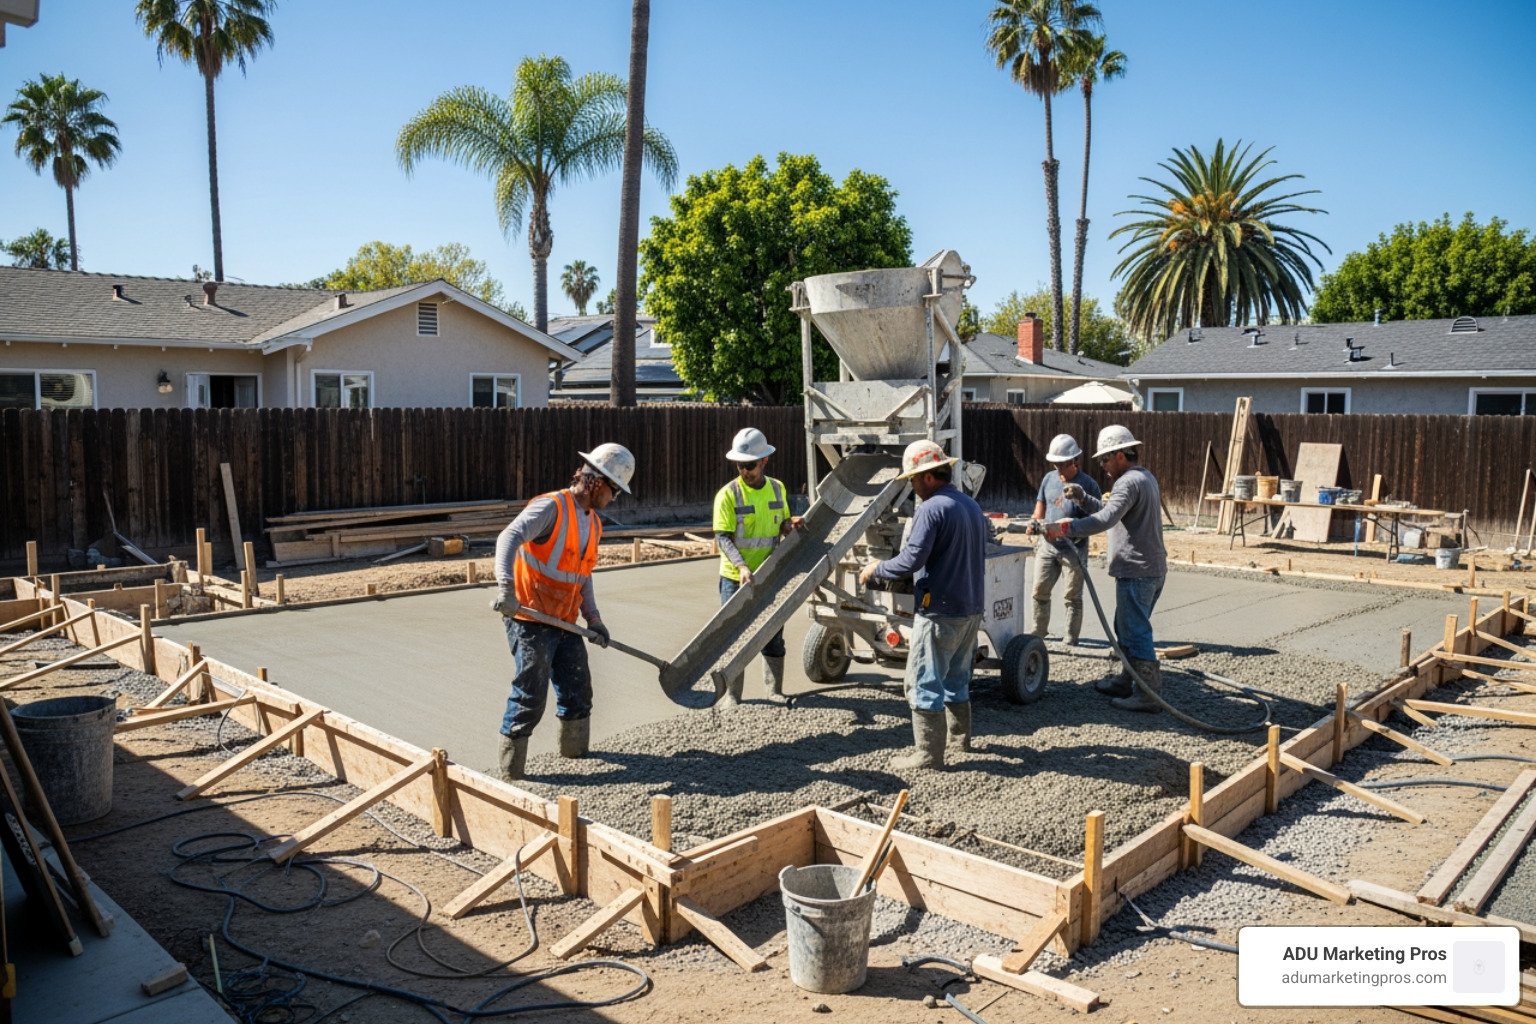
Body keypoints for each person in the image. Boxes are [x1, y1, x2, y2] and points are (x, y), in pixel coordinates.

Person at [490, 443, 636, 781]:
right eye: (614, 490)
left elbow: (581, 575)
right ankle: (511, 775)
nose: (614, 499)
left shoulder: (593, 523)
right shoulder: (552, 507)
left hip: (565, 620)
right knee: (531, 694)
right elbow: (508, 537)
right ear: (597, 482)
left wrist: (594, 618)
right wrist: (506, 591)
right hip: (530, 617)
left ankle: (575, 757)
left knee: (578, 690)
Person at [858, 439, 988, 770]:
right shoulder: (971, 506)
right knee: (957, 679)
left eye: (914, 479)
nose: (913, 487)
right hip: (971, 609)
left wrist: (876, 570)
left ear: (929, 476)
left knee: (922, 682)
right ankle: (960, 743)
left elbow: (910, 561)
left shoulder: (930, 509)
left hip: (940, 610)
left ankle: (928, 755)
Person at [1044, 425, 1168, 713]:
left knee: (1134, 633)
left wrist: (1066, 527)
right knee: (1125, 629)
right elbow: (1109, 511)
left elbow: (1106, 520)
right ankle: (1129, 680)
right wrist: (1083, 499)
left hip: (1138, 571)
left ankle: (1148, 694)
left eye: (1105, 460)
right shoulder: (1143, 477)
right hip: (1149, 569)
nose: (1102, 466)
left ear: (1121, 455)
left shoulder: (1128, 482)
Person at [713, 427, 804, 705]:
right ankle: (732, 697)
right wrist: (741, 566)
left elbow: (782, 524)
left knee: (773, 634)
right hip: (735, 578)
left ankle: (774, 691)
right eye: (740, 465)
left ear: (764, 461)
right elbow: (723, 538)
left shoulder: (777, 488)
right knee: (735, 638)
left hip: (769, 576)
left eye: (749, 465)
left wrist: (791, 525)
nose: (744, 471)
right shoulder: (728, 495)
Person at [1029, 433, 1102, 645]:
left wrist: (1070, 525)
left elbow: (1097, 520)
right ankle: (1039, 631)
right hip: (1048, 546)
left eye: (1062, 465)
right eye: (1055, 465)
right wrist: (1034, 523)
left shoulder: (1087, 484)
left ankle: (1071, 637)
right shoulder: (1048, 479)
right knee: (1039, 591)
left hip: (1074, 548)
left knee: (1072, 596)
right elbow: (1040, 509)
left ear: (1074, 461)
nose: (1058, 470)